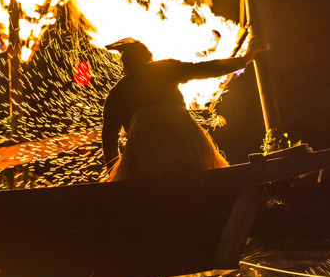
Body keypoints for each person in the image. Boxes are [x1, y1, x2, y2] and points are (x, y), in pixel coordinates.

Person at [101, 36, 266, 181]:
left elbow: (108, 138)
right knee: (199, 183)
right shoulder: (163, 68)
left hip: (144, 154)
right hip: (182, 137)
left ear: (125, 64)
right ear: (148, 58)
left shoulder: (117, 92)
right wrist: (245, 59)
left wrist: (114, 177)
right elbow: (204, 69)